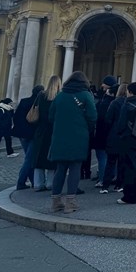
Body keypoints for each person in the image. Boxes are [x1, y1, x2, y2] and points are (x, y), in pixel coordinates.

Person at [49, 71, 97, 214]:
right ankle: (70, 202)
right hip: (78, 137)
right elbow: (93, 117)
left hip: (59, 137)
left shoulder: (60, 96)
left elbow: (51, 117)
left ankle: (55, 202)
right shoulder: (86, 95)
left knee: (60, 169)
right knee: (75, 168)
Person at [32, 76, 61, 192]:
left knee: (38, 157)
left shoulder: (41, 95)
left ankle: (38, 184)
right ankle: (50, 183)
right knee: (51, 158)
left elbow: (35, 109)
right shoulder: (59, 97)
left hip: (41, 130)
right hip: (53, 131)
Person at [12, 85, 43, 188]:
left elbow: (16, 117)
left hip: (22, 135)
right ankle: (21, 182)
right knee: (29, 159)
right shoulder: (38, 104)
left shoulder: (24, 101)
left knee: (29, 158)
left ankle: (33, 181)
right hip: (32, 135)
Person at [100, 83, 128, 193]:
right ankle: (119, 185)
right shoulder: (129, 103)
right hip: (124, 135)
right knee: (121, 162)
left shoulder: (114, 102)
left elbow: (108, 119)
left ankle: (105, 186)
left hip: (113, 135)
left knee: (110, 162)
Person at [92, 76, 117, 188]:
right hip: (114, 134)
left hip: (102, 133)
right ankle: (113, 177)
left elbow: (98, 117)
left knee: (102, 157)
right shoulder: (118, 102)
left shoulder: (103, 102)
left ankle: (103, 179)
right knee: (112, 158)